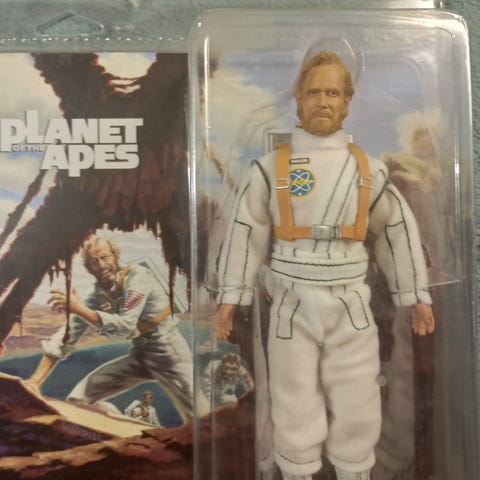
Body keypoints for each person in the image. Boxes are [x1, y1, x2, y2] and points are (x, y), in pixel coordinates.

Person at [213, 51, 435, 480]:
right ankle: (296, 473)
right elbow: (245, 231)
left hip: (351, 300)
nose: (322, 101)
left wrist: (415, 296)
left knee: (358, 395)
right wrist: (230, 297)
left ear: (347, 102)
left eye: (332, 93)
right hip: (291, 300)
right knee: (294, 397)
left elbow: (397, 232)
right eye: (313, 92)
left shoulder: (369, 171)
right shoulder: (271, 169)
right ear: (298, 98)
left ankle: (355, 472)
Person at [27, 235, 208, 423]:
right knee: (78, 400)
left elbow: (125, 325)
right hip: (141, 356)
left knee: (202, 419)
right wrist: (35, 381)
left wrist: (79, 309)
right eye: (94, 262)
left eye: (104, 257)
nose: (101, 265)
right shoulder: (96, 294)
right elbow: (68, 335)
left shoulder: (139, 278)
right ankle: (120, 429)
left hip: (170, 355)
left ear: (116, 256)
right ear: (89, 268)